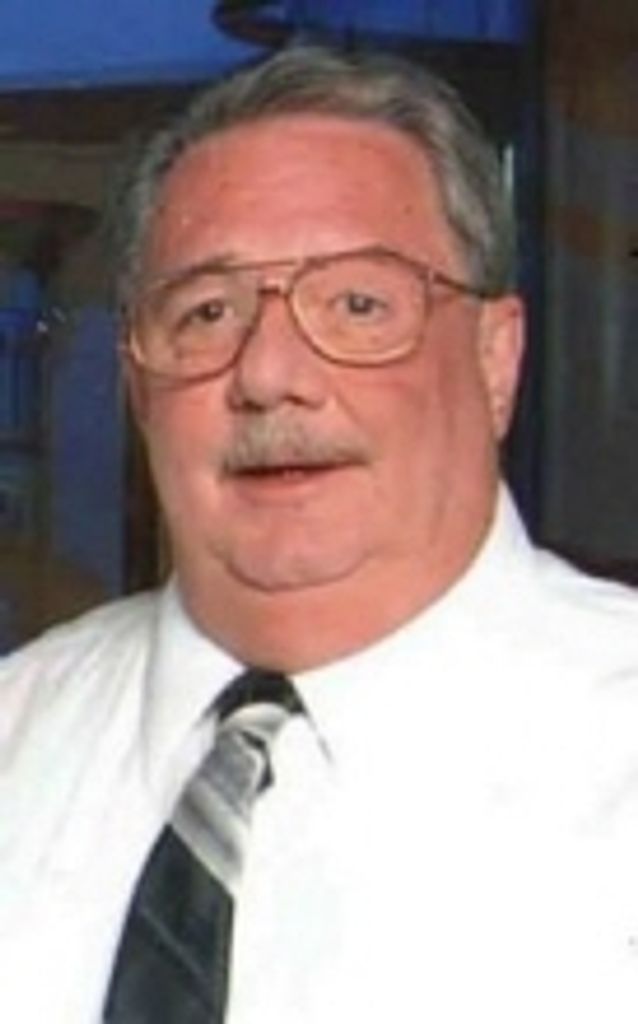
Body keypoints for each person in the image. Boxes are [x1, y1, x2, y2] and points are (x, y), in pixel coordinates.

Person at [2, 44, 638, 1024]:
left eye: (357, 304)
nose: (269, 376)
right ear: (136, 381)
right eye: (206, 313)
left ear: (495, 357)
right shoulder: (16, 732)